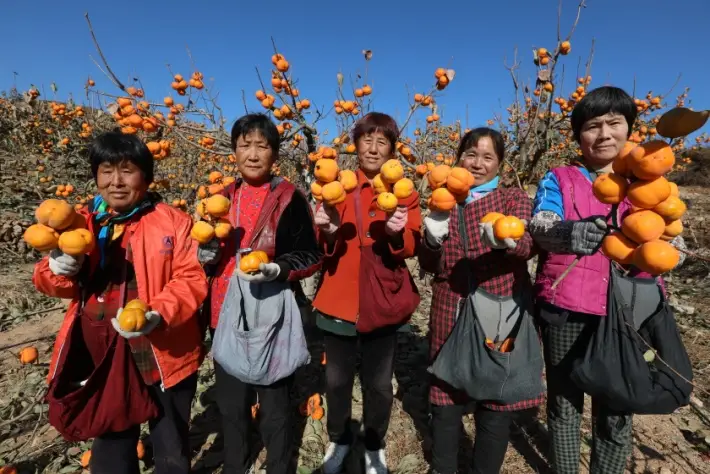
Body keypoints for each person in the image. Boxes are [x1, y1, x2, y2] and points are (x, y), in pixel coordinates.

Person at [528, 85, 687, 474]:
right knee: (564, 404)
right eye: (592, 126)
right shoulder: (560, 178)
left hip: (630, 312)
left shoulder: (652, 185)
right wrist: (569, 234)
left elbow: (672, 242)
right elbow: (540, 225)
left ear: (630, 130)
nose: (603, 134)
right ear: (579, 135)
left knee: (616, 408)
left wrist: (671, 249)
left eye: (614, 123)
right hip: (567, 308)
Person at [33, 131, 208, 474]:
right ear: (96, 175)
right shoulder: (80, 221)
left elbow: (191, 278)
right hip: (103, 354)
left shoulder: (174, 221)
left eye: (127, 170)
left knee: (170, 443)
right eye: (106, 170)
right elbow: (47, 281)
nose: (116, 181)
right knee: (112, 448)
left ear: (146, 175)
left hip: (161, 351)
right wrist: (58, 269)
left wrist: (158, 313)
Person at [196, 113, 322, 474]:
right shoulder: (218, 200)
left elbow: (312, 254)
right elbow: (201, 258)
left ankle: (279, 467)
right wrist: (204, 255)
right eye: (244, 145)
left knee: (275, 408)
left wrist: (279, 268)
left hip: (271, 318)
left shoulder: (289, 199)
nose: (252, 154)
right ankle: (236, 465)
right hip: (224, 316)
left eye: (261, 146)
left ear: (274, 154)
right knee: (233, 408)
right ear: (233, 151)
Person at [419, 127, 544, 474]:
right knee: (445, 394)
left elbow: (528, 245)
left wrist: (508, 241)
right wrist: (431, 238)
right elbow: (429, 265)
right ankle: (443, 467)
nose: (477, 164)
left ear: (500, 164)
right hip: (450, 305)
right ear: (459, 158)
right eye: (471, 154)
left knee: (496, 396)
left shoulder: (512, 199)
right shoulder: (442, 199)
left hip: (499, 310)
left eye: (488, 157)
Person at [312, 112, 422, 474]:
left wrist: (395, 233)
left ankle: (374, 445)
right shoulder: (337, 187)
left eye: (383, 142)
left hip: (381, 300)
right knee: (337, 380)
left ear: (392, 150)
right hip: (339, 299)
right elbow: (323, 244)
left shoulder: (403, 192)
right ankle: (339, 440)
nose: (373, 149)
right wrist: (326, 230)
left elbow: (411, 245)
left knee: (378, 384)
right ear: (355, 144)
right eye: (367, 140)